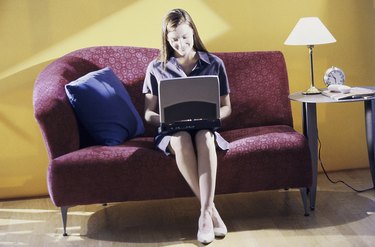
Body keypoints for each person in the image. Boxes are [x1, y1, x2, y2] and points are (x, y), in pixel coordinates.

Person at [142, 8, 232, 244]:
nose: (180, 44)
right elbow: (148, 113)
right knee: (181, 138)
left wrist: (214, 115)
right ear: (166, 39)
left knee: (205, 137)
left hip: (205, 127)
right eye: (174, 40)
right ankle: (210, 212)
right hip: (172, 131)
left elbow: (227, 107)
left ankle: (204, 214)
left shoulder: (215, 64)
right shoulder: (156, 68)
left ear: (193, 32)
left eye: (185, 37)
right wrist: (165, 118)